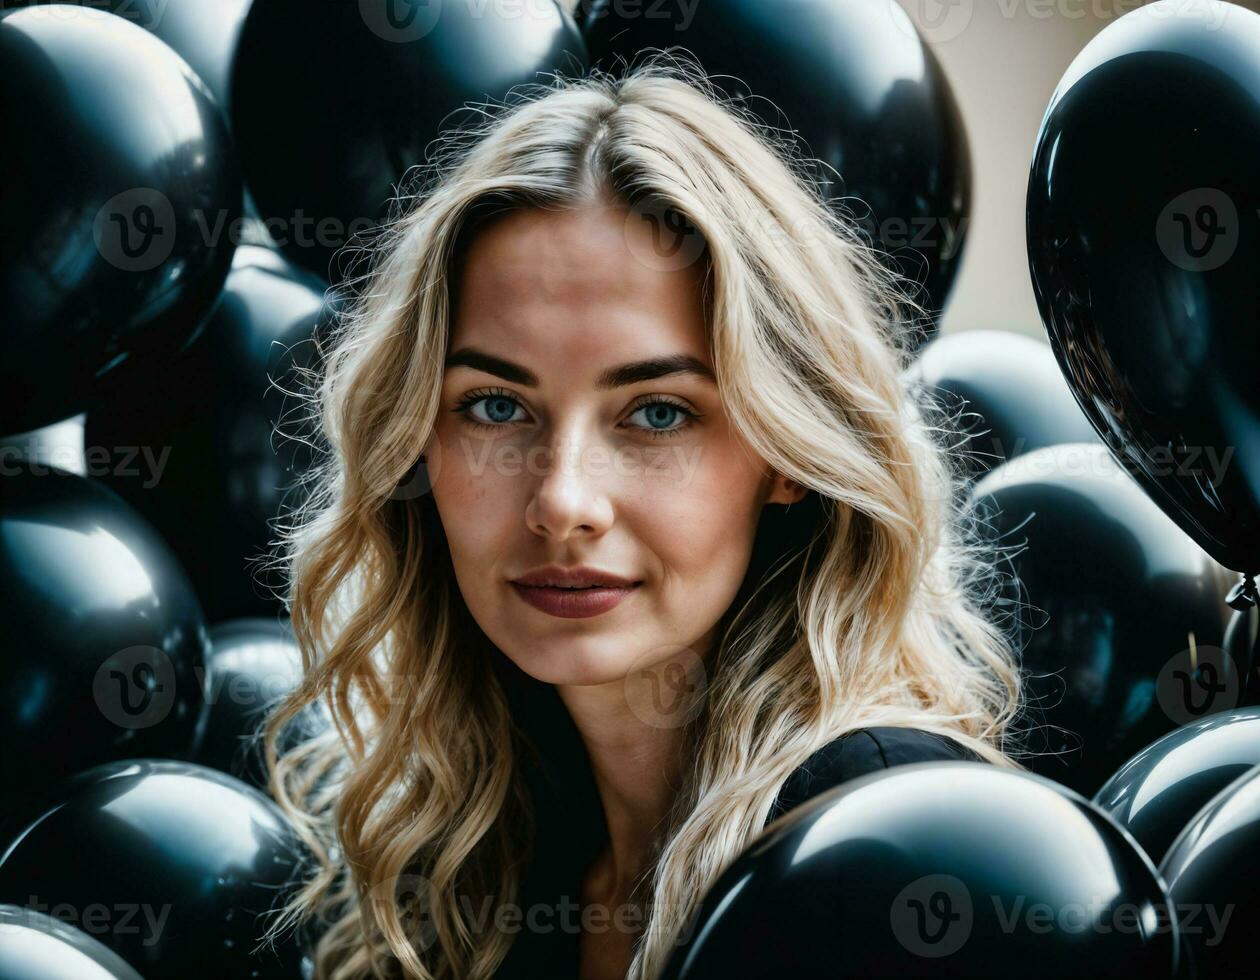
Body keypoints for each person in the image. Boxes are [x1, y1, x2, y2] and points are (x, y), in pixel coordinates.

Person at [261, 54, 1025, 980]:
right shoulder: (475, 862)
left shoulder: (892, 833)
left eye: (658, 412)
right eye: (495, 407)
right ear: (417, 444)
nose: (562, 501)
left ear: (787, 457)